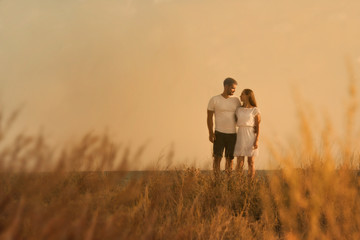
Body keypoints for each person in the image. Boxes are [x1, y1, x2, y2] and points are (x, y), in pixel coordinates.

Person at [207, 78, 241, 177]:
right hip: (219, 133)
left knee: (230, 159)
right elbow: (209, 118)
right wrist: (210, 133)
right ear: (226, 86)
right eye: (233, 88)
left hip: (232, 134)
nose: (234, 90)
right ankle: (216, 181)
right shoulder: (214, 99)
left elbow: (243, 113)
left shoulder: (236, 100)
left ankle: (228, 181)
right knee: (217, 158)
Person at [234, 89, 261, 179]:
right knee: (240, 161)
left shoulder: (255, 110)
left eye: (242, 94)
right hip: (241, 134)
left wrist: (256, 140)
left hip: (250, 135)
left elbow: (257, 127)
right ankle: (238, 181)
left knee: (251, 161)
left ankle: (250, 183)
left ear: (248, 96)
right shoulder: (238, 109)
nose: (240, 96)